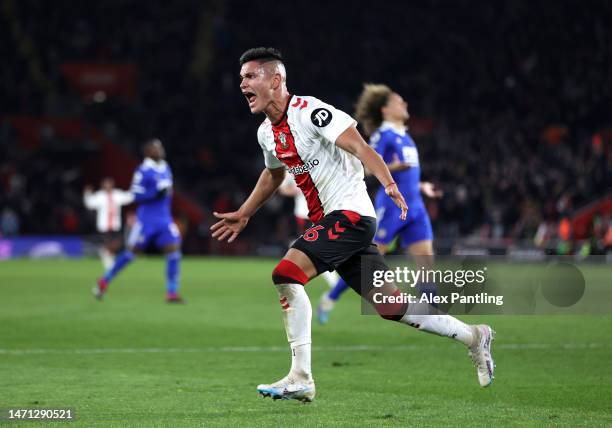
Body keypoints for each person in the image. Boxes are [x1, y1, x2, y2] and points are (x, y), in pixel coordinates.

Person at [211, 47, 494, 403]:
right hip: (339, 224)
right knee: (393, 307)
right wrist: (245, 211)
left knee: (286, 273)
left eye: (250, 76)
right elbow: (273, 174)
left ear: (276, 79)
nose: (242, 85)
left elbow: (362, 148)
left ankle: (301, 376)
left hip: (351, 215)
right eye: (241, 78)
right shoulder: (267, 133)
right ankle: (475, 336)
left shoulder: (311, 112)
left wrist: (389, 183)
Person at [317, 84, 443, 324]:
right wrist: (393, 168)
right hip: (391, 208)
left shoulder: (405, 136)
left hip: (416, 207)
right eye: (399, 102)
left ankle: (434, 318)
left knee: (426, 261)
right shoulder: (382, 136)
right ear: (385, 110)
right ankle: (330, 297)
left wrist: (421, 186)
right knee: (370, 263)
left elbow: (408, 177)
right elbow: (365, 168)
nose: (405, 105)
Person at [93, 139, 184, 303]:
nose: (160, 150)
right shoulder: (142, 170)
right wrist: (155, 194)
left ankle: (172, 293)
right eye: (156, 148)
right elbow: (136, 195)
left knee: (174, 253)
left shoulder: (165, 167)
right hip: (146, 221)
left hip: (164, 219)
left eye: (161, 147)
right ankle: (104, 281)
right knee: (130, 254)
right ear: (148, 152)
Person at [278, 174, 339, 288]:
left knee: (316, 247)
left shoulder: (318, 165)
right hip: (303, 215)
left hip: (325, 212)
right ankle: (331, 280)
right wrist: (296, 189)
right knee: (310, 247)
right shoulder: (292, 169)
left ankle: (294, 274)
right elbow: (283, 189)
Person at [83, 177, 133, 269]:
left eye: (109, 184)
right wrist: (87, 193)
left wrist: (136, 188)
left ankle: (106, 254)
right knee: (108, 244)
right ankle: (109, 261)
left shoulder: (117, 194)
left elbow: (129, 197)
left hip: (115, 225)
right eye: (106, 184)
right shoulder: (100, 196)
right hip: (104, 226)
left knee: (118, 244)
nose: (108, 186)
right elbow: (89, 204)